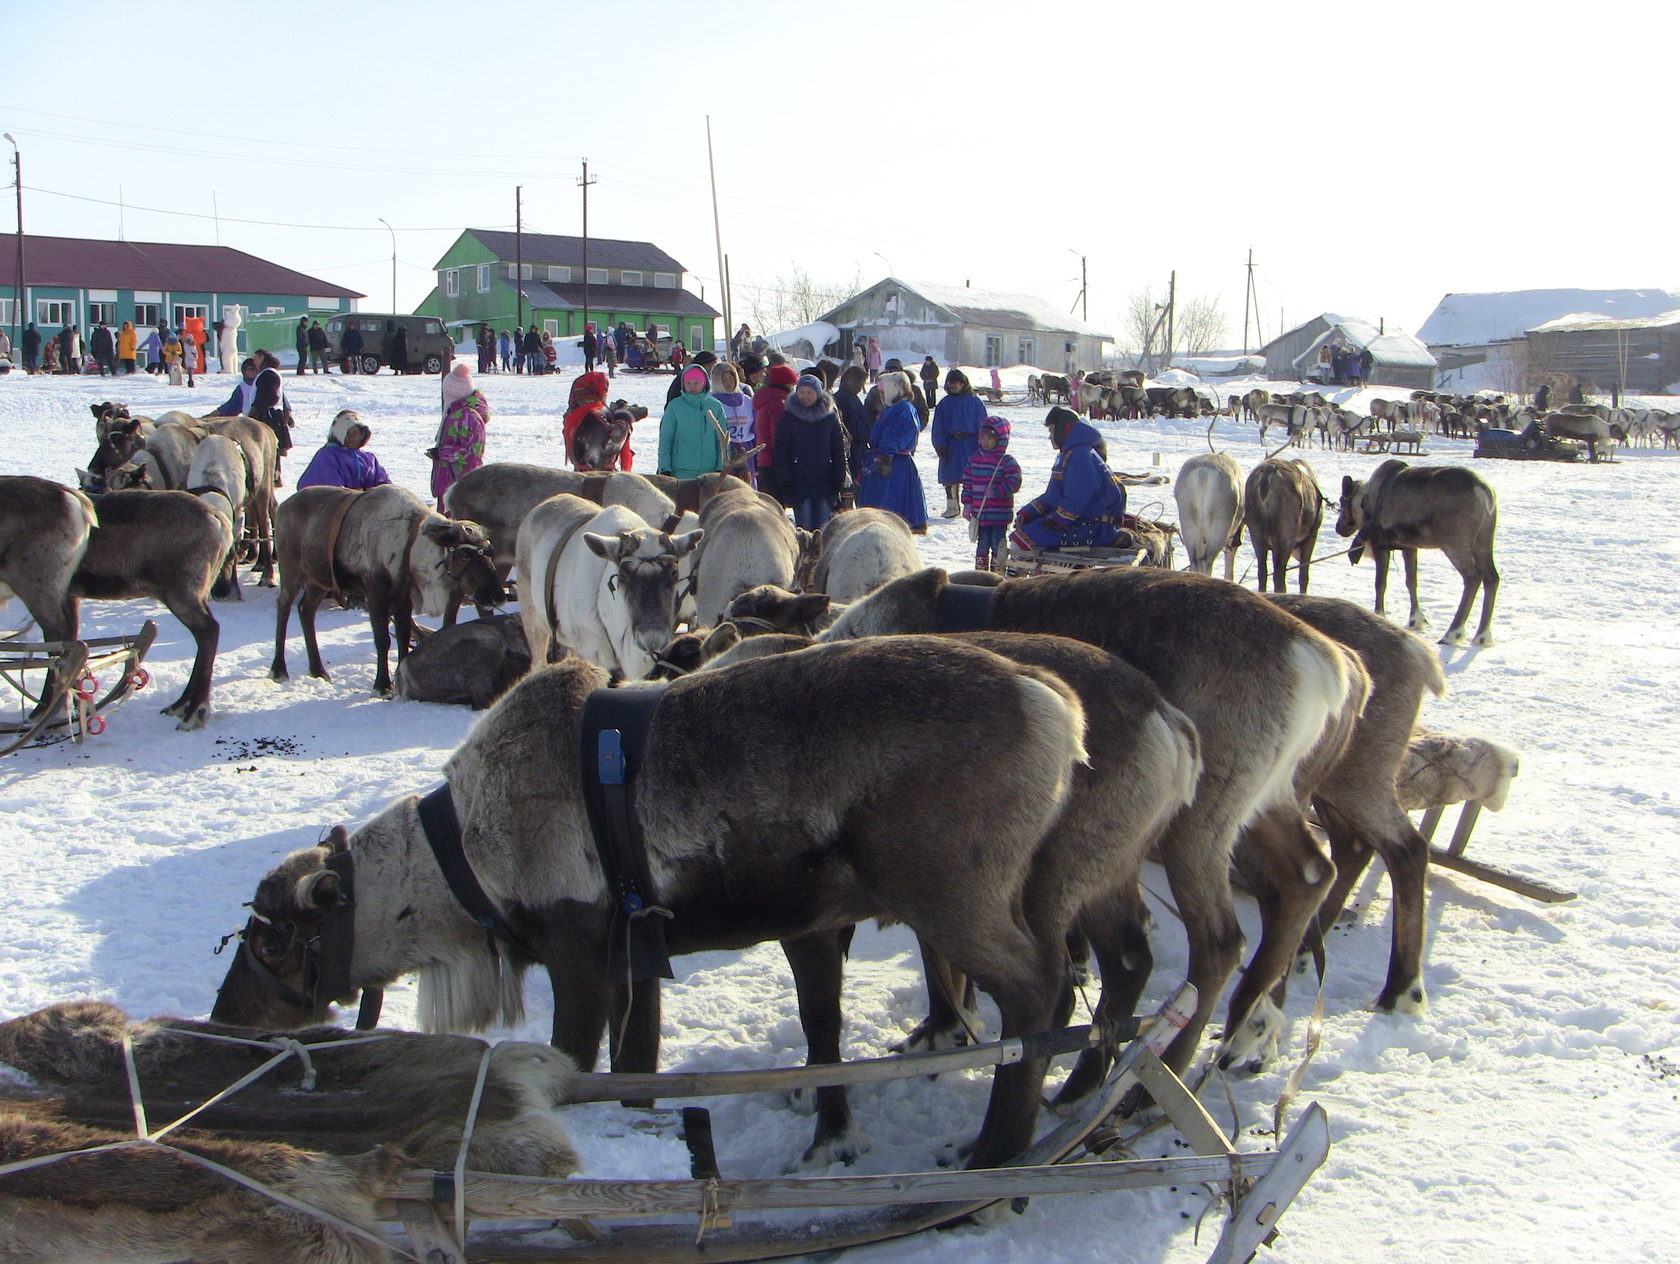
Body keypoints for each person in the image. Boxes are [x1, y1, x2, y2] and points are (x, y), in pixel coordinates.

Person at [1011, 406, 1127, 551]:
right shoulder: (1072, 454)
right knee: (1030, 527)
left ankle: (1018, 573)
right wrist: (1028, 513)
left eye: (1052, 431)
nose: (1050, 436)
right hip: (1086, 520)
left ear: (1063, 430)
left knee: (1023, 538)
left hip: (1096, 528)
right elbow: (1054, 496)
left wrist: (1059, 520)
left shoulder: (1079, 456)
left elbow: (1080, 495)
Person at [856, 370, 927, 533]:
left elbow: (896, 435)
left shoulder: (903, 410)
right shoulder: (894, 408)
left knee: (888, 506)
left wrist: (885, 457)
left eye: (883, 392)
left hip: (892, 466)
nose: (881, 396)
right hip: (885, 462)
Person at [775, 373, 846, 530]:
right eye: (801, 392)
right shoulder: (789, 417)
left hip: (825, 480)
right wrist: (785, 480)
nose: (805, 396)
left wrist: (838, 477)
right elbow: (781, 450)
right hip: (799, 480)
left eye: (809, 392)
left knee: (823, 526)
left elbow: (838, 449)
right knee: (804, 526)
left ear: (818, 393)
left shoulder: (829, 416)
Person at [962, 417, 1022, 572]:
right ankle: (981, 573)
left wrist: (998, 491)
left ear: (1000, 439)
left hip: (999, 515)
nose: (985, 442)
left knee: (998, 544)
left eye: (990, 438)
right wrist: (968, 504)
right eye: (983, 438)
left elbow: (1014, 482)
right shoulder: (974, 460)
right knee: (982, 545)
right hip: (980, 515)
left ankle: (998, 572)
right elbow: (967, 484)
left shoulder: (1006, 461)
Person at [930, 368, 987, 518]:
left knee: (972, 478)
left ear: (963, 384)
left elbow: (983, 424)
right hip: (950, 444)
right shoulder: (944, 404)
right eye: (951, 383)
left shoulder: (975, 402)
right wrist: (939, 444)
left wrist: (983, 444)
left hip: (970, 443)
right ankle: (952, 506)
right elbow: (938, 426)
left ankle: (973, 507)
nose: (953, 386)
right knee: (950, 478)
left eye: (956, 383)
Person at [431, 362, 489, 506]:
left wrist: (443, 453)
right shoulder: (455, 412)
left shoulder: (469, 416)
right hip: (449, 483)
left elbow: (472, 451)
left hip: (461, 486)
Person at [657, 364, 729, 480]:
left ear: (704, 383)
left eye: (696, 383)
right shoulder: (675, 407)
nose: (692, 387)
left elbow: (722, 440)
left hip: (710, 473)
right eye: (688, 383)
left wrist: (721, 467)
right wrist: (664, 468)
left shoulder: (715, 406)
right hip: (681, 472)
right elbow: (666, 440)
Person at [296, 410, 393, 491]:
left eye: (357, 434)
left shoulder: (369, 459)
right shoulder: (328, 455)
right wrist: (357, 495)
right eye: (350, 433)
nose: (354, 438)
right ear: (340, 433)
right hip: (335, 510)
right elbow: (330, 489)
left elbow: (385, 484)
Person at [564, 370, 633, 471]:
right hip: (599, 478)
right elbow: (609, 447)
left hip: (579, 476)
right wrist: (624, 418)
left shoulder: (575, 412)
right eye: (604, 389)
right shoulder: (594, 414)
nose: (605, 393)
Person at [753, 363, 797, 504]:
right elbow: (779, 437)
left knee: (769, 503)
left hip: (765, 458)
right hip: (775, 461)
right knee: (775, 505)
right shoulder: (779, 403)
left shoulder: (766, 399)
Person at [711, 360, 756, 486]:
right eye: (723, 380)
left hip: (745, 449)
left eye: (731, 379)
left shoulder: (747, 400)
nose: (728, 383)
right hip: (723, 452)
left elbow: (755, 427)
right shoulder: (711, 402)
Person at [247, 351, 294, 468]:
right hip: (270, 415)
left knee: (268, 448)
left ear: (262, 358)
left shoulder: (268, 374)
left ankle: (274, 475)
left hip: (268, 417)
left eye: (256, 358)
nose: (254, 361)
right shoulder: (267, 373)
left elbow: (269, 396)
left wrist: (256, 410)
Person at [834, 363, 872, 497]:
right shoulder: (844, 398)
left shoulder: (850, 397)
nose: (861, 387)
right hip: (852, 450)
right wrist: (869, 432)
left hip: (858, 449)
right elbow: (853, 426)